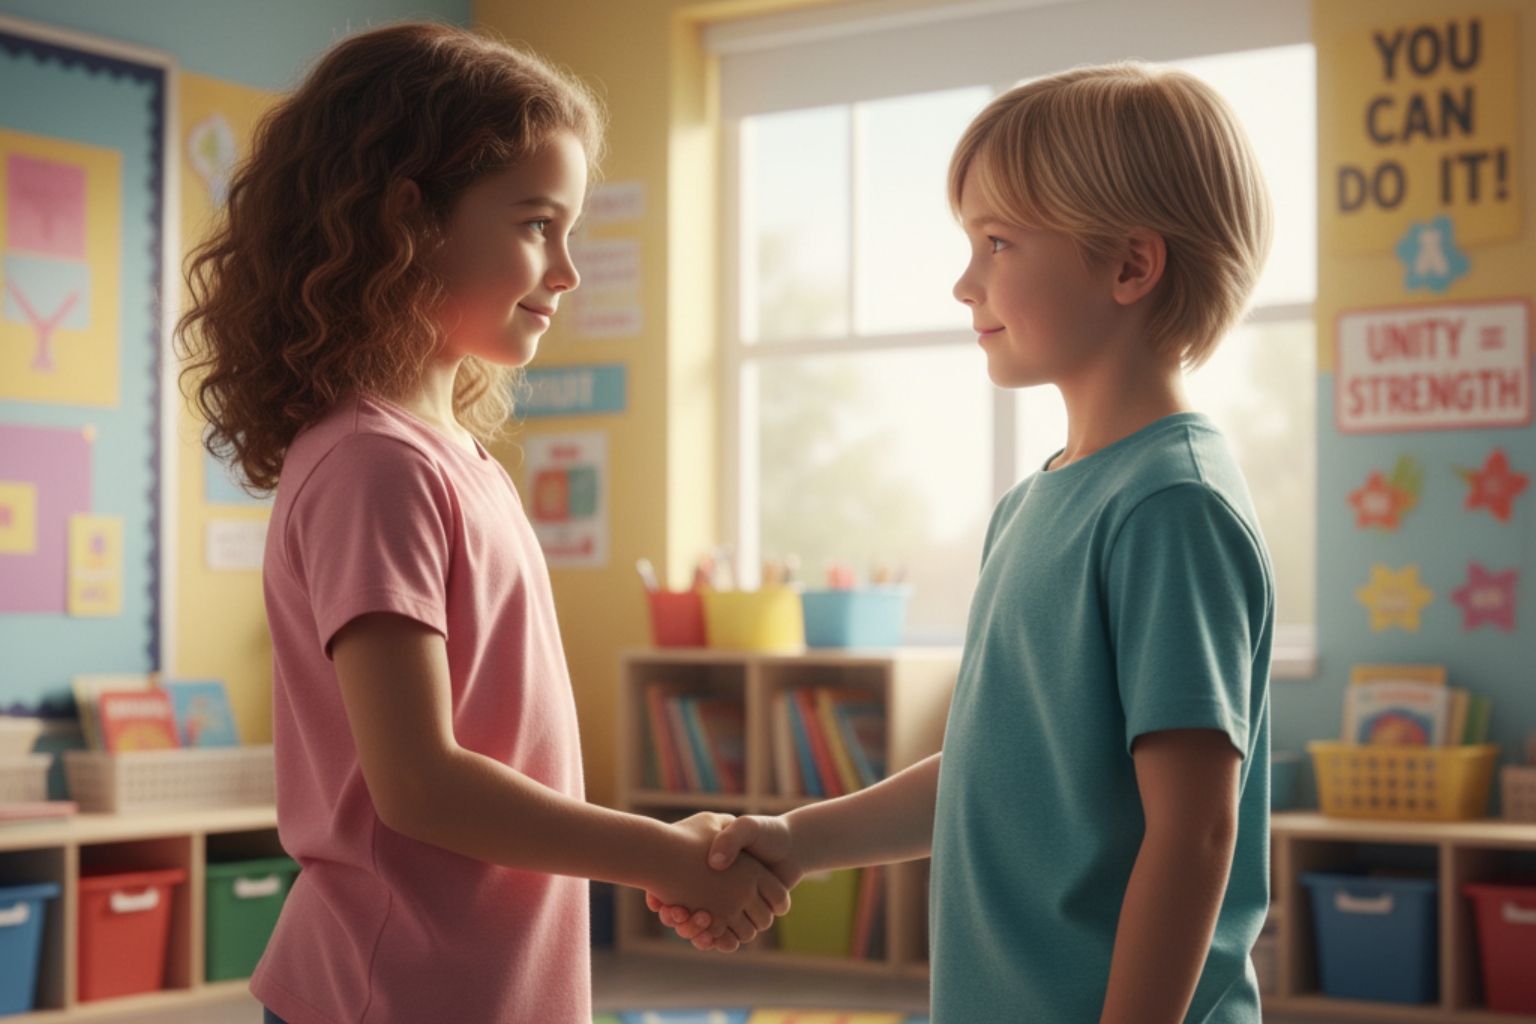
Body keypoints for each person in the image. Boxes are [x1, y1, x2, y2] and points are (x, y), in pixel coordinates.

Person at [177, 23, 787, 1024]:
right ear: (405, 220)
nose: (568, 270)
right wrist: (664, 852)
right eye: (538, 224)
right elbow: (419, 782)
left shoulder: (449, 456)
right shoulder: (374, 464)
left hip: (480, 982)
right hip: (395, 990)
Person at [652, 61, 1276, 1024]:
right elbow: (995, 767)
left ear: (1129, 267)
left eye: (997, 242)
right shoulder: (1035, 502)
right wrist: (796, 839)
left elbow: (1195, 834)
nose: (963, 281)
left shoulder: (1170, 508)